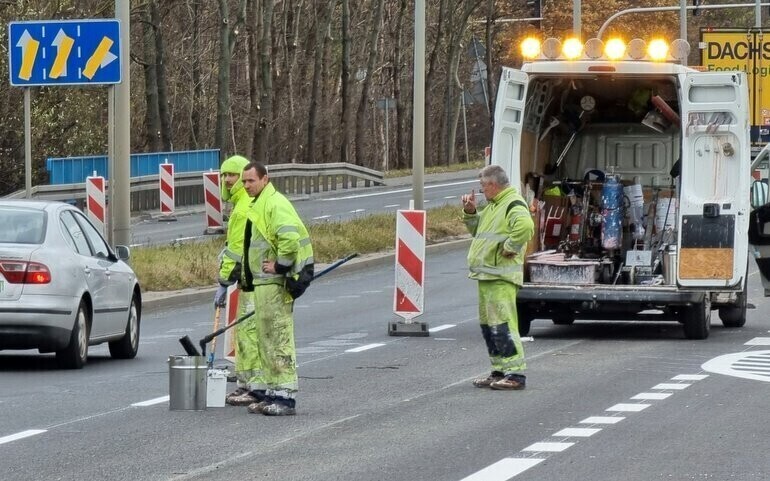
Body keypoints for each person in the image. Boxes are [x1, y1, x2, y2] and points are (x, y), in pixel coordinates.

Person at [239, 161, 313, 416]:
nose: (247, 185)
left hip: (274, 283)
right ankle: (272, 393)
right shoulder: (260, 203)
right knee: (266, 338)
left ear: (265, 179)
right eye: (244, 181)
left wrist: (280, 266)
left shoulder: (274, 203)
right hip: (262, 283)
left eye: (251, 180)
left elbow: (289, 238)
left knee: (278, 338)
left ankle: (284, 397)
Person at [461, 165, 534, 390]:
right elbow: (478, 233)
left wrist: (510, 246)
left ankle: (515, 374)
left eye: (483, 186)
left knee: (502, 325)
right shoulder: (494, 205)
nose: (482, 191)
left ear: (493, 184)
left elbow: (525, 227)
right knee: (489, 326)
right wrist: (471, 213)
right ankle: (499, 370)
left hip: (500, 277)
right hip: (487, 275)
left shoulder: (512, 203)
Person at [213, 155, 262, 407]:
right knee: (244, 334)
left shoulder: (242, 209)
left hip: (253, 280)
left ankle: (253, 387)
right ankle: (246, 384)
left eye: (232, 175)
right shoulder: (241, 203)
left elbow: (236, 249)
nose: (227, 180)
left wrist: (223, 282)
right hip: (247, 279)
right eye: (224, 175)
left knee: (250, 335)